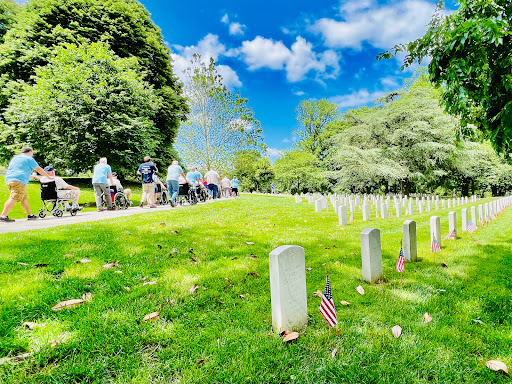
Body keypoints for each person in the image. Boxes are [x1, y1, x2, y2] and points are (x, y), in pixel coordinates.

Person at [1, 147, 53, 222]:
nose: (32, 155)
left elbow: (19, 170)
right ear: (30, 152)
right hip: (19, 181)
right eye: (32, 153)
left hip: (10, 179)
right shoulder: (29, 159)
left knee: (24, 198)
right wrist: (48, 176)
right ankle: (3, 216)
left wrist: (32, 176)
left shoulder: (15, 158)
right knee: (14, 197)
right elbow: (38, 169)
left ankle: (30, 215)